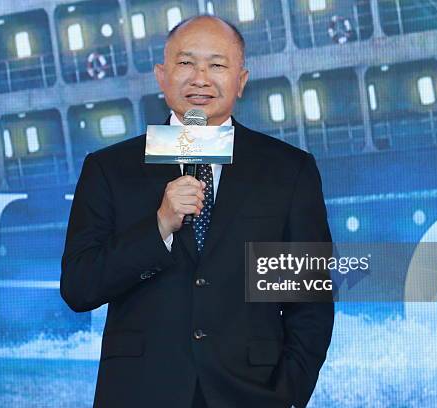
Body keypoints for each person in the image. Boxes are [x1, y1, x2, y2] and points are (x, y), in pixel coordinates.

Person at [60, 15, 333, 408]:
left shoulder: (287, 169)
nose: (200, 78)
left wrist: (286, 394)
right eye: (186, 63)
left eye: (217, 65)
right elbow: (79, 286)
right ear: (161, 76)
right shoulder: (110, 168)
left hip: (251, 394)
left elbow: (309, 305)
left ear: (241, 79)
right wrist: (159, 227)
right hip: (140, 393)